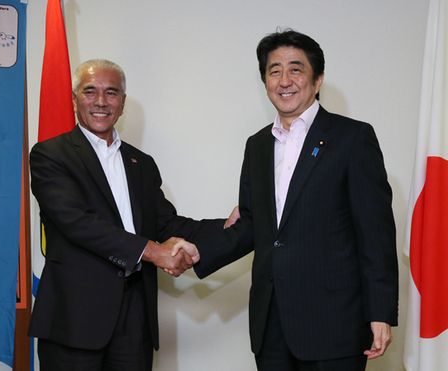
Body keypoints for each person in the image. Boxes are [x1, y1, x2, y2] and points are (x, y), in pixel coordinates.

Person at [192, 30, 398, 371]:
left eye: (295, 69)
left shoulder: (353, 138)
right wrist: (199, 251)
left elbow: (375, 232)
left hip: (335, 324)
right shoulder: (256, 146)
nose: (284, 80)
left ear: (317, 80)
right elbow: (254, 224)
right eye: (274, 71)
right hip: (271, 323)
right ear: (265, 81)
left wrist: (380, 312)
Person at [28, 59, 219, 371]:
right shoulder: (50, 154)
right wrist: (154, 252)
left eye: (111, 92)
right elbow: (77, 223)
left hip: (134, 315)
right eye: (90, 92)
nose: (101, 101)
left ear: (123, 102)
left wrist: (230, 226)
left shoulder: (140, 162)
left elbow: (166, 223)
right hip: (74, 318)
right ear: (74, 98)